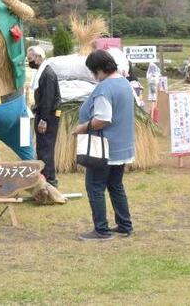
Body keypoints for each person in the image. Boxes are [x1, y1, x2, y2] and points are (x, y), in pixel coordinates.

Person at [71, 50, 135, 241]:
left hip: (104, 148)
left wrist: (82, 128)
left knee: (95, 187)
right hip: (122, 146)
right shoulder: (124, 83)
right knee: (115, 186)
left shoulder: (104, 89)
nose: (93, 76)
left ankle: (101, 230)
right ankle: (124, 226)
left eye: (93, 71)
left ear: (98, 69)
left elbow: (103, 119)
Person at [28, 46, 61, 188]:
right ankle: (46, 180)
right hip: (43, 114)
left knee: (46, 149)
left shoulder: (47, 74)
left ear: (38, 57)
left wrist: (43, 120)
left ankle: (49, 181)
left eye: (30, 59)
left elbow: (48, 100)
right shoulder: (42, 72)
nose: (29, 62)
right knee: (43, 148)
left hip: (47, 117)